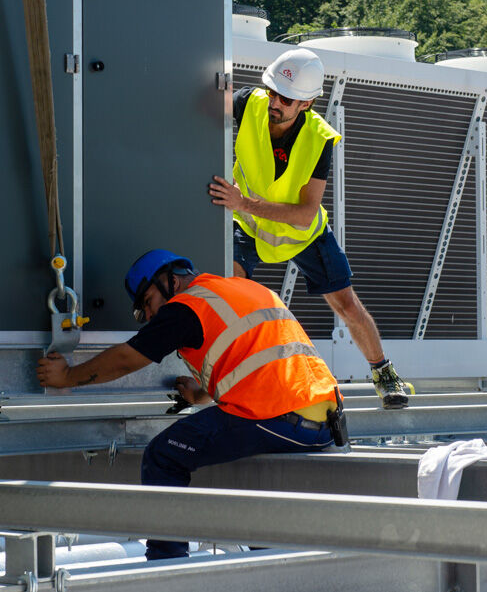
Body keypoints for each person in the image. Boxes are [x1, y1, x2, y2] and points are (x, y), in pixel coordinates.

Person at [36, 249, 346, 560]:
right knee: (236, 470)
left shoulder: (186, 307)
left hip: (277, 417)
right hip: (325, 423)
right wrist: (200, 395)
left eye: (148, 302)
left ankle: (166, 565)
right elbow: (259, 361)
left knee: (163, 456)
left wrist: (66, 377)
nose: (151, 315)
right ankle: (269, 557)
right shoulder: (245, 288)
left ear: (169, 280)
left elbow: (125, 360)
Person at [208, 47, 411, 409]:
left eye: (285, 99)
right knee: (233, 292)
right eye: (272, 91)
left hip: (302, 233)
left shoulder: (319, 139)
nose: (275, 102)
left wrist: (244, 203)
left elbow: (304, 214)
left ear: (307, 103)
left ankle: (384, 373)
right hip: (249, 226)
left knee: (347, 305)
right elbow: (199, 112)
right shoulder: (248, 103)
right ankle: (233, 377)